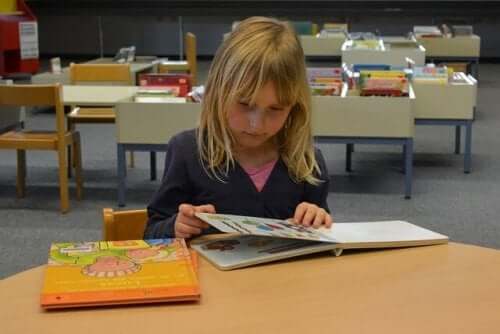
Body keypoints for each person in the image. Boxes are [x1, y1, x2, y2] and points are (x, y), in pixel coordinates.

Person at [144, 16, 333, 239]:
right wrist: (175, 226)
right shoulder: (187, 152)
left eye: (275, 109)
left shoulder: (307, 163)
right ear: (218, 92)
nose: (256, 124)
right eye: (245, 104)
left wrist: (317, 221)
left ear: (295, 107)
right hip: (209, 274)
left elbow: (323, 240)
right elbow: (152, 233)